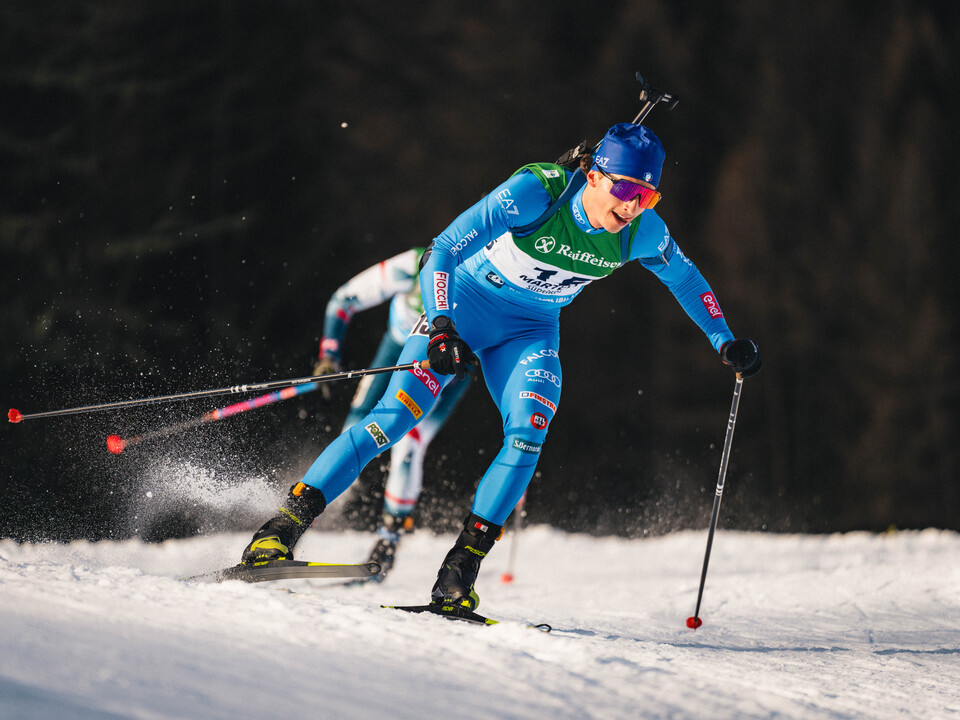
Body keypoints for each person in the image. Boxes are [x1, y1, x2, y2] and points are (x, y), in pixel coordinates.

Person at [241, 122, 761, 614]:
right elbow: (442, 249)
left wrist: (725, 339)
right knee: (393, 421)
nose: (634, 208)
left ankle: (457, 577)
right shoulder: (537, 191)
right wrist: (441, 325)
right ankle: (279, 531)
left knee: (528, 432)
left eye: (648, 197)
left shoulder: (640, 231)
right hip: (463, 311)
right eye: (627, 191)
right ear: (595, 175)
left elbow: (687, 280)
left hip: (529, 332)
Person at [310, 248, 471, 580]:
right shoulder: (416, 264)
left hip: (443, 366)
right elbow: (343, 300)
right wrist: (329, 355)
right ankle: (304, 513)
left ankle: (388, 543)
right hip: (396, 350)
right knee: (353, 430)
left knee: (409, 440)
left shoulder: (493, 280)